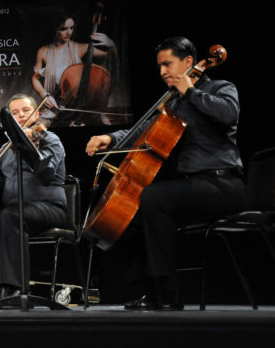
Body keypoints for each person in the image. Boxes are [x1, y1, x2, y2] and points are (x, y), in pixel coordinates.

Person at [85, 36, 246, 311]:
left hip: (223, 184)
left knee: (154, 197)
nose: (162, 72)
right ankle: (152, 290)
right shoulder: (172, 104)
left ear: (187, 63)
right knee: (128, 215)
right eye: (159, 66)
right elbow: (141, 132)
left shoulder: (221, 88)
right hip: (190, 189)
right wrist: (111, 139)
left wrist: (191, 91)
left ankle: (170, 292)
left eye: (167, 64)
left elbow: (229, 115)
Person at [0, 94, 67, 300]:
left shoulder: (49, 139)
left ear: (37, 112)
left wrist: (28, 147)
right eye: (15, 113)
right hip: (15, 212)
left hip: (49, 208)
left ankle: (16, 289)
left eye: (25, 110)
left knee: (12, 215)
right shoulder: (7, 148)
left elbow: (47, 174)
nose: (21, 115)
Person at [31, 11, 116, 125]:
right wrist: (44, 95)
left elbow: (112, 56)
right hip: (57, 106)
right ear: (55, 30)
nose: (69, 32)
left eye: (71, 28)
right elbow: (35, 78)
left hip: (84, 106)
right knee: (40, 128)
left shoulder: (80, 48)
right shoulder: (43, 52)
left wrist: (111, 44)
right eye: (63, 29)